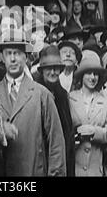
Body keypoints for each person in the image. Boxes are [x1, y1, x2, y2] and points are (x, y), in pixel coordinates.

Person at [0, 28, 66, 176]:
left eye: (17, 53)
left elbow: (56, 143)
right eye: (9, 53)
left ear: (26, 57)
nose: (13, 59)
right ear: (1, 57)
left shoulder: (42, 94)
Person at [69, 50, 107, 176]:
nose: (93, 77)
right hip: (75, 166)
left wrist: (94, 131)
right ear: (82, 75)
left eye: (96, 74)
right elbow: (65, 131)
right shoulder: (70, 98)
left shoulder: (104, 100)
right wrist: (76, 136)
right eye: (88, 73)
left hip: (95, 167)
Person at [34, 45, 75, 176]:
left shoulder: (62, 95)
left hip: (59, 159)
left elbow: (67, 132)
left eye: (56, 68)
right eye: (48, 68)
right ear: (41, 70)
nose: (53, 72)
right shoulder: (34, 93)